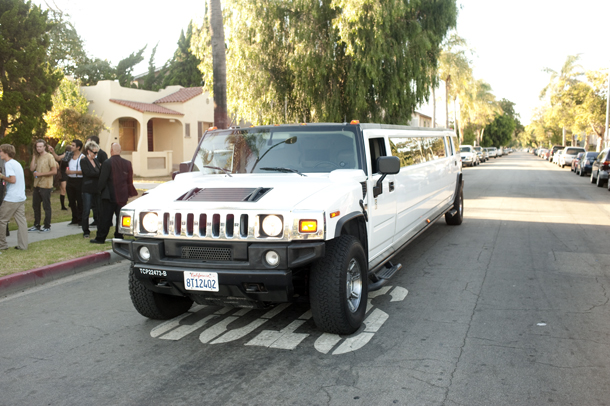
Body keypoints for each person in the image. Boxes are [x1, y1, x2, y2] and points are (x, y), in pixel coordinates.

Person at [91, 143, 137, 244]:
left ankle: (100, 238)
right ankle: (119, 236)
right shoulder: (127, 163)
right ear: (120, 151)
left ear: (111, 151)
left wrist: (99, 191)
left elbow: (102, 180)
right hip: (122, 195)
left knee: (105, 218)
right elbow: (130, 180)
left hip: (109, 195)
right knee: (120, 217)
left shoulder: (107, 163)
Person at [0, 144, 27, 252]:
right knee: (21, 222)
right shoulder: (17, 163)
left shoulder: (9, 164)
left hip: (12, 198)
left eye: (1, 151)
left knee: (2, 220)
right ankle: (23, 245)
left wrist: (2, 176)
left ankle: (2, 245)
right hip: (21, 197)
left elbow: (12, 180)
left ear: (6, 152)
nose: (0, 153)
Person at [29, 139, 57, 232]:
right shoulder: (37, 157)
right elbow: (32, 168)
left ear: (44, 147)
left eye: (40, 146)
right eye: (37, 147)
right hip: (37, 185)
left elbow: (54, 171)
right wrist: (34, 156)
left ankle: (47, 225)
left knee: (46, 206)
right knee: (35, 205)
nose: (39, 148)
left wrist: (40, 174)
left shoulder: (49, 157)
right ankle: (36, 224)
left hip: (46, 185)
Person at [81, 141, 101, 239]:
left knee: (97, 209)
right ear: (88, 151)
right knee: (86, 210)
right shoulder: (84, 161)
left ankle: (99, 227)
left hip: (96, 188)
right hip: (87, 188)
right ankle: (85, 230)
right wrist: (99, 174)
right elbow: (88, 173)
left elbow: (100, 171)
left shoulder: (96, 161)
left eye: (96, 152)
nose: (95, 155)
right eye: (94, 152)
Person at [85, 135, 106, 226]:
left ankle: (100, 220)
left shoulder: (101, 154)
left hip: (98, 184)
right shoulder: (85, 158)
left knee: (99, 204)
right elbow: (88, 172)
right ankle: (95, 219)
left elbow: (104, 168)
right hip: (89, 185)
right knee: (91, 205)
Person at [65, 140, 84, 226]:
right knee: (71, 200)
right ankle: (74, 218)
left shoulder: (82, 157)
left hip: (79, 180)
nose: (71, 147)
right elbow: (59, 158)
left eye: (73, 145)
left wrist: (73, 171)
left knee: (79, 200)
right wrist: (53, 152)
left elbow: (84, 171)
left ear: (78, 147)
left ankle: (80, 219)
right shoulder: (70, 155)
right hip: (70, 180)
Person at [49, 144, 72, 211]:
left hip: (68, 173)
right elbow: (57, 159)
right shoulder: (64, 155)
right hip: (62, 173)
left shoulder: (71, 156)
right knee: (63, 189)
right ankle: (63, 206)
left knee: (68, 189)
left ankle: (70, 203)